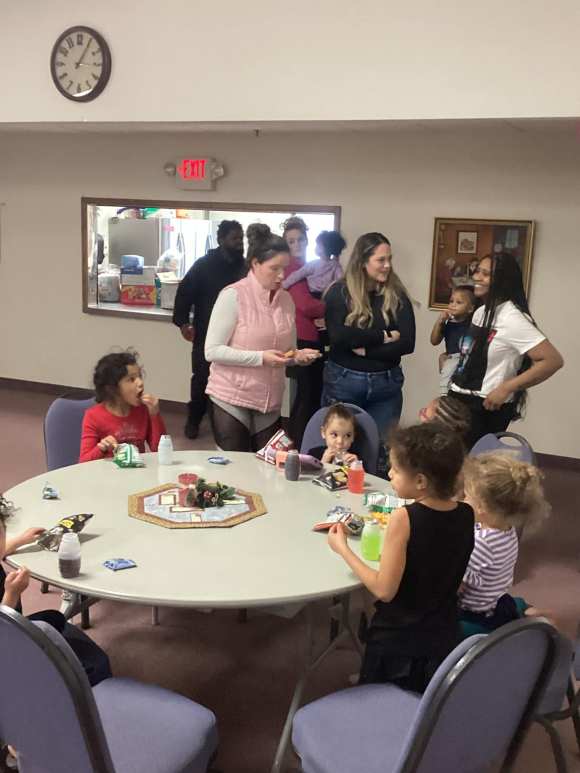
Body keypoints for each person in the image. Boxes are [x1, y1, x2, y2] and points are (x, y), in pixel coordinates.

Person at [328, 423, 474, 692]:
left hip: (399, 636)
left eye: (395, 469)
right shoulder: (467, 513)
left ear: (420, 481)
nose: (389, 473)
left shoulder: (404, 518)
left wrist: (343, 548)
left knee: (380, 699)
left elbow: (384, 590)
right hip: (442, 629)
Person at [204, 226, 321, 452]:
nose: (281, 276)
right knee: (235, 470)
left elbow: (287, 351)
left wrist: (297, 357)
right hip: (231, 396)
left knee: (269, 469)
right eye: (274, 268)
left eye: (284, 269)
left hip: (270, 399)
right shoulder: (233, 295)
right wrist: (261, 358)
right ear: (255, 264)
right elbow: (212, 351)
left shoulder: (286, 300)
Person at [449, 252, 563, 449]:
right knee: (447, 466)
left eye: (486, 274)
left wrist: (506, 388)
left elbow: (552, 360)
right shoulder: (480, 312)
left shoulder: (512, 317)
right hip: (459, 399)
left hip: (484, 407)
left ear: (502, 281)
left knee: (471, 470)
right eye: (478, 271)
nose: (477, 277)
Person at [322, 232, 416, 446]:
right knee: (340, 449)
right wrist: (384, 336)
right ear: (363, 262)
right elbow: (339, 337)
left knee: (380, 450)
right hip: (344, 382)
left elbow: (407, 343)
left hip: (386, 385)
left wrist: (367, 349)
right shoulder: (339, 292)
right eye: (381, 260)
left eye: (389, 259)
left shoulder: (397, 295)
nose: (387, 265)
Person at [458, 454, 549, 631]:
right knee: (512, 604)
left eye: (466, 496)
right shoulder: (506, 528)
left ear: (482, 506)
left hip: (472, 610)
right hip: (494, 597)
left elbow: (458, 585)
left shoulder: (482, 544)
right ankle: (527, 613)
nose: (463, 500)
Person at [173, 220, 246, 439]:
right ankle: (194, 420)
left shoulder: (245, 267)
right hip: (205, 333)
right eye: (234, 238)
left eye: (241, 238)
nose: (239, 242)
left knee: (229, 383)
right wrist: (183, 322)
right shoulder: (204, 265)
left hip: (236, 336)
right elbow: (184, 293)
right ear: (221, 239)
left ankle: (223, 425)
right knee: (202, 378)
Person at [281, 217, 327, 447]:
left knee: (305, 394)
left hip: (306, 334)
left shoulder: (309, 266)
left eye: (300, 239)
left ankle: (299, 442)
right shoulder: (292, 267)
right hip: (305, 336)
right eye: (291, 241)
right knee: (308, 395)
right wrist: (332, 309)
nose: (297, 244)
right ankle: (300, 444)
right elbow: (306, 305)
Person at [80, 350, 165, 462]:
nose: (140, 383)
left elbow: (159, 452)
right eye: (131, 379)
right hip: (106, 475)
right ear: (111, 389)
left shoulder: (143, 410)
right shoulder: (93, 416)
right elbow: (83, 463)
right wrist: (101, 449)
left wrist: (155, 416)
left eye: (140, 376)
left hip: (136, 473)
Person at [430, 285, 475, 395]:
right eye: (451, 301)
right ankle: (445, 395)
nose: (453, 305)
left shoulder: (472, 324)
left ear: (470, 308)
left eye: (459, 302)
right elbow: (434, 341)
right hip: (450, 359)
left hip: (464, 359)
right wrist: (440, 321)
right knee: (447, 372)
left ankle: (446, 395)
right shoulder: (449, 322)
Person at [282, 230, 346, 298]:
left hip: (312, 294)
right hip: (326, 295)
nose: (316, 248)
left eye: (318, 245)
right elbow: (341, 280)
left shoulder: (314, 264)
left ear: (324, 248)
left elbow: (297, 275)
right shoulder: (336, 265)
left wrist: (284, 284)